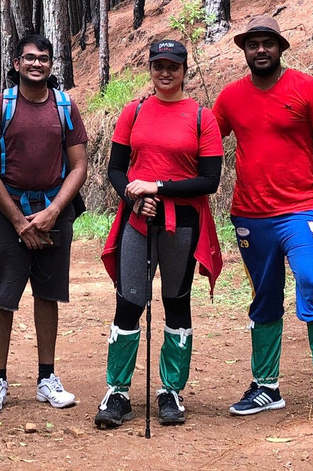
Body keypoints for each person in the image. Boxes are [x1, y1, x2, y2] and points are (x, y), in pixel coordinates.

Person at [212, 15, 313, 423]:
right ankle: (266, 387)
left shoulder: (307, 88)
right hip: (250, 214)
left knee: (312, 284)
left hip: (301, 210)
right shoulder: (230, 98)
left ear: (280, 48)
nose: (260, 50)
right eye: (253, 44)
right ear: (244, 50)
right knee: (264, 296)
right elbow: (203, 141)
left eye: (268, 43)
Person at [95, 39, 224, 429]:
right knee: (129, 301)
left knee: (176, 301)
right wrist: (134, 199)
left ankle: (171, 391)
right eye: (158, 66)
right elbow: (116, 170)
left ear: (184, 70)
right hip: (138, 219)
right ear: (150, 69)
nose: (165, 73)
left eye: (173, 66)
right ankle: (117, 392)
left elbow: (210, 180)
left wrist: (158, 188)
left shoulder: (202, 117)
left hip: (182, 222)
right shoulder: (133, 112)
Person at [0, 34, 88, 413]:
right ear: (17, 64)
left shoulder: (65, 106)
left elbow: (79, 166)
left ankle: (46, 378)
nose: (37, 64)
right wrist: (18, 220)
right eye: (30, 58)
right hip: (6, 213)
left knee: (48, 294)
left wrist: (54, 211)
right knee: (3, 295)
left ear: (52, 64)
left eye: (44, 58)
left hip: (53, 210)